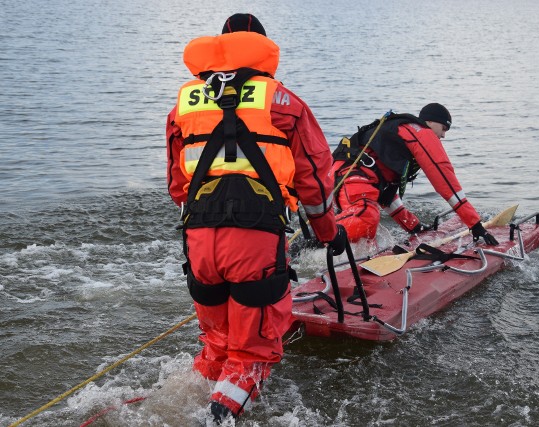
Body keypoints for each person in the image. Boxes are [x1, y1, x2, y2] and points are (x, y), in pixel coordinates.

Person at [165, 13, 346, 424]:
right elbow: (315, 182)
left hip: (198, 240)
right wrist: (328, 233)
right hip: (254, 239)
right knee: (254, 350)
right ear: (262, 48)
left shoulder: (184, 103)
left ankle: (179, 401)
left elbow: (177, 186)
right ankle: (219, 415)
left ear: (221, 44)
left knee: (217, 344)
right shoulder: (285, 102)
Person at [331, 103, 499, 246]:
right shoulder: (420, 132)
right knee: (367, 218)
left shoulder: (399, 133)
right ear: (430, 122)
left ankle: (330, 243)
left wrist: (414, 227)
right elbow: (444, 179)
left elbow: (385, 195)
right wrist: (475, 224)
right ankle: (320, 239)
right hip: (350, 178)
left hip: (341, 179)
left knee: (366, 235)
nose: (443, 135)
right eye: (443, 128)